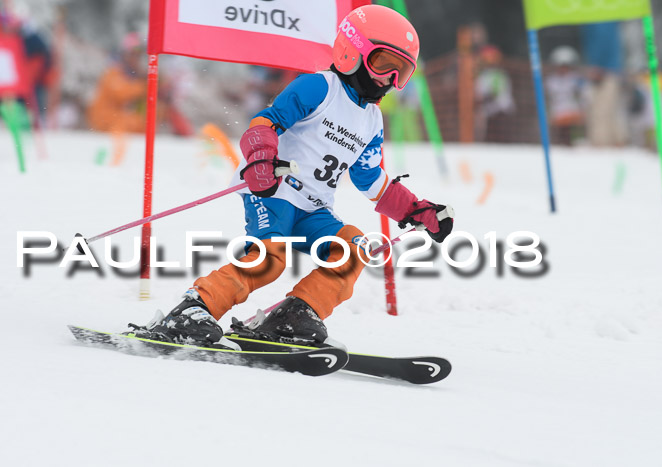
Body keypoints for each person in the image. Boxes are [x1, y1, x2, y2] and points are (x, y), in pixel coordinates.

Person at [133, 5, 454, 348]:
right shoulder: (319, 88)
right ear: (351, 51)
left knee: (353, 247)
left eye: (400, 73)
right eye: (383, 64)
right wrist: (261, 159)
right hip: (274, 191)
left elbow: (369, 177)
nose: (388, 79)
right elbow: (265, 122)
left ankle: (295, 315)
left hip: (314, 209)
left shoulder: (372, 120)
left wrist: (414, 210)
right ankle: (192, 309)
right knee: (269, 260)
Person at [87, 32, 148, 133]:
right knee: (135, 123)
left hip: (116, 121)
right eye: (133, 55)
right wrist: (143, 85)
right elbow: (121, 93)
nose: (135, 59)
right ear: (124, 55)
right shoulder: (114, 71)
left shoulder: (129, 74)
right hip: (105, 121)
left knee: (142, 121)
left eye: (138, 56)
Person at [545, 46, 585, 146]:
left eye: (566, 66)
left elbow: (583, 96)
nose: (563, 69)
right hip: (558, 113)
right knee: (561, 138)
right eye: (561, 66)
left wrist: (582, 110)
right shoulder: (551, 81)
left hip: (573, 113)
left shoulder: (577, 79)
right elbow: (548, 98)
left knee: (575, 139)